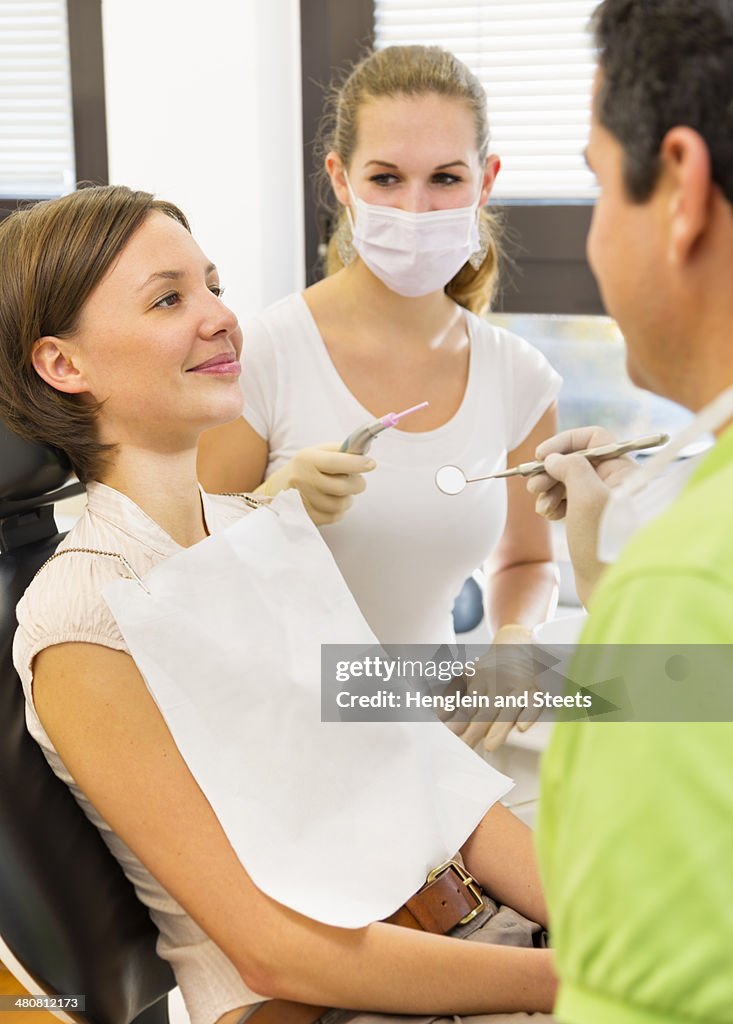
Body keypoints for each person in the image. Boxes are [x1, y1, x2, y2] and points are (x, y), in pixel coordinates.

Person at [0, 186, 557, 1024]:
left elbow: (442, 788)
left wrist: (623, 933)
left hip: (474, 936)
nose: (222, 317)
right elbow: (273, 947)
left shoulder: (261, 531)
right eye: (168, 299)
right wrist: (591, 980)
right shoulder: (80, 618)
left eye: (213, 286)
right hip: (331, 1001)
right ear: (63, 364)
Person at [198, 45, 561, 657]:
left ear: (486, 181)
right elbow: (188, 579)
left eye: (446, 178)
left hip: (434, 724)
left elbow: (528, 561)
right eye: (386, 178)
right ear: (342, 180)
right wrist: (265, 510)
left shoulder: (518, 377)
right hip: (284, 728)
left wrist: (517, 638)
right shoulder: (262, 356)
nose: (415, 210)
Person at [522, 2, 733, 1022]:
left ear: (681, 188)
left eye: (600, 182)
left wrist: (632, 598)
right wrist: (605, 566)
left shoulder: (688, 583)